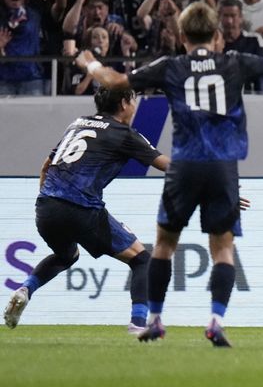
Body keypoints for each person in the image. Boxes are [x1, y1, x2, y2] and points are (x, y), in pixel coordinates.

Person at [73, 2, 263, 347]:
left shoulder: (172, 65)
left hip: (183, 165)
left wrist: (88, 61)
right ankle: (215, 320)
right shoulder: (233, 61)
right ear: (217, 36)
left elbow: (117, 81)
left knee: (164, 246)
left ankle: (154, 320)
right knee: (222, 250)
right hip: (223, 167)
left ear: (182, 37)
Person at [3, 87, 170, 333]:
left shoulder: (78, 124)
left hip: (46, 207)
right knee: (141, 259)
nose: (134, 107)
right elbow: (168, 165)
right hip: (81, 208)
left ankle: (26, 288)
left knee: (66, 256)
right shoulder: (124, 134)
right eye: (133, 101)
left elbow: (46, 165)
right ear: (124, 104)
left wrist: (45, 199)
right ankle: (138, 323)